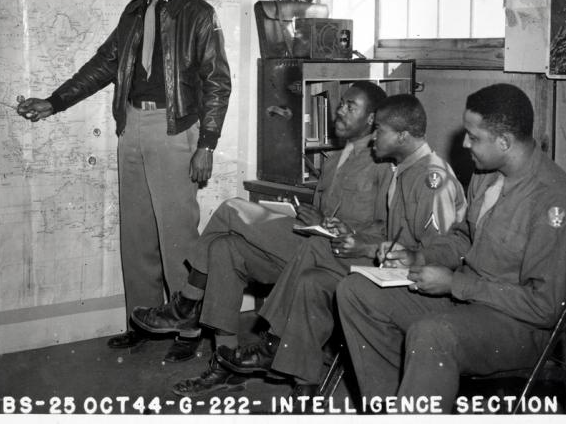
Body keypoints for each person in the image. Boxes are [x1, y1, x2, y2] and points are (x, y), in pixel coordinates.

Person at [16, 0, 232, 349]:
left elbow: (217, 84)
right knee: (136, 234)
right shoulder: (132, 14)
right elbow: (103, 65)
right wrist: (54, 102)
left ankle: (187, 325)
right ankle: (143, 320)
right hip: (130, 126)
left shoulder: (198, 13)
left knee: (176, 235)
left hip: (175, 129)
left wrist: (206, 145)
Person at [335, 83, 566, 413]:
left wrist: (455, 283)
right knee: (356, 290)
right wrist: (419, 256)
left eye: (474, 136)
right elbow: (465, 239)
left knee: (433, 334)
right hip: (465, 304)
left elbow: (544, 306)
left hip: (518, 326)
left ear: (504, 142)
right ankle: (389, 408)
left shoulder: (554, 200)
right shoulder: (487, 175)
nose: (465, 142)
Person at [131, 81, 391, 395]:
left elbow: (384, 230)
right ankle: (227, 364)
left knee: (230, 209)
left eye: (351, 106)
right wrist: (310, 215)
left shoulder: (383, 165)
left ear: (372, 119)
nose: (340, 111)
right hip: (308, 245)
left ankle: (187, 304)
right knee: (225, 249)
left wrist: (330, 225)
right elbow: (323, 213)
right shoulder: (334, 160)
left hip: (339, 258)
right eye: (341, 103)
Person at [215, 94, 467, 399]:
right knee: (311, 279)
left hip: (417, 283)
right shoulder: (404, 169)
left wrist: (365, 247)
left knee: (316, 250)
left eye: (381, 130)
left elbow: (435, 254)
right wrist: (356, 237)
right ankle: (302, 388)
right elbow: (395, 235)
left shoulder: (431, 179)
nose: (373, 136)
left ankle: (274, 341)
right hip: (389, 264)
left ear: (402, 136)